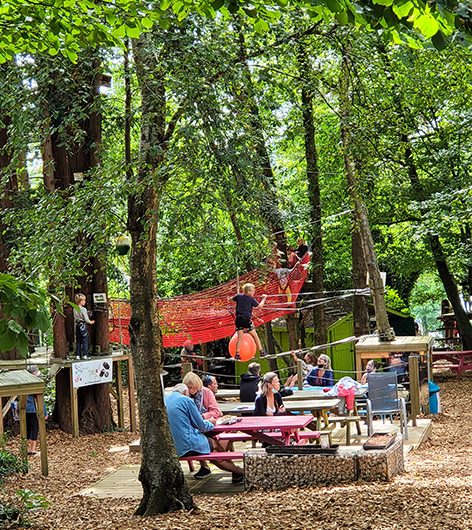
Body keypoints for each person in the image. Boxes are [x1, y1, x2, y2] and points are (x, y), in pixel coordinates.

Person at [165, 384, 244, 483]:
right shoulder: (186, 400)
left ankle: (237, 472)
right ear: (185, 392)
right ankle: (240, 472)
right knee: (215, 446)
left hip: (171, 446)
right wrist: (211, 422)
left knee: (215, 451)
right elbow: (201, 425)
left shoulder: (164, 400)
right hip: (187, 445)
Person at [183, 372, 222, 479]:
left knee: (210, 439)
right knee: (195, 438)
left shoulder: (206, 392)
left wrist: (201, 417)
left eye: (194, 387)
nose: (191, 390)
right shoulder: (184, 395)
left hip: (208, 424)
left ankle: (226, 463)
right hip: (193, 428)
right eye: (189, 387)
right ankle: (204, 466)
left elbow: (216, 411)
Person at [232, 283, 268, 360]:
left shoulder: (238, 296)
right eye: (253, 291)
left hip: (238, 320)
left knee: (240, 337)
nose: (254, 292)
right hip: (246, 319)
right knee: (255, 336)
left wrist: (238, 295)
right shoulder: (251, 299)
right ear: (248, 291)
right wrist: (264, 298)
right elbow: (259, 306)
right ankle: (262, 352)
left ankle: (237, 354)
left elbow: (231, 299)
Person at [25, 365, 48, 456]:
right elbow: (39, 400)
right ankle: (32, 450)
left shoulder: (24, 383)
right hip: (33, 410)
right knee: (34, 429)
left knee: (28, 429)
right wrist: (44, 412)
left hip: (25, 410)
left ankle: (28, 448)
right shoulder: (35, 384)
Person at [74, 293, 95, 360]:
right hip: (82, 325)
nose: (85, 302)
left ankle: (78, 355)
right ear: (81, 301)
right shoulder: (83, 309)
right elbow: (86, 319)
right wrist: (91, 322)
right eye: (84, 300)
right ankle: (85, 354)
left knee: (78, 340)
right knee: (85, 340)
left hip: (77, 325)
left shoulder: (74, 308)